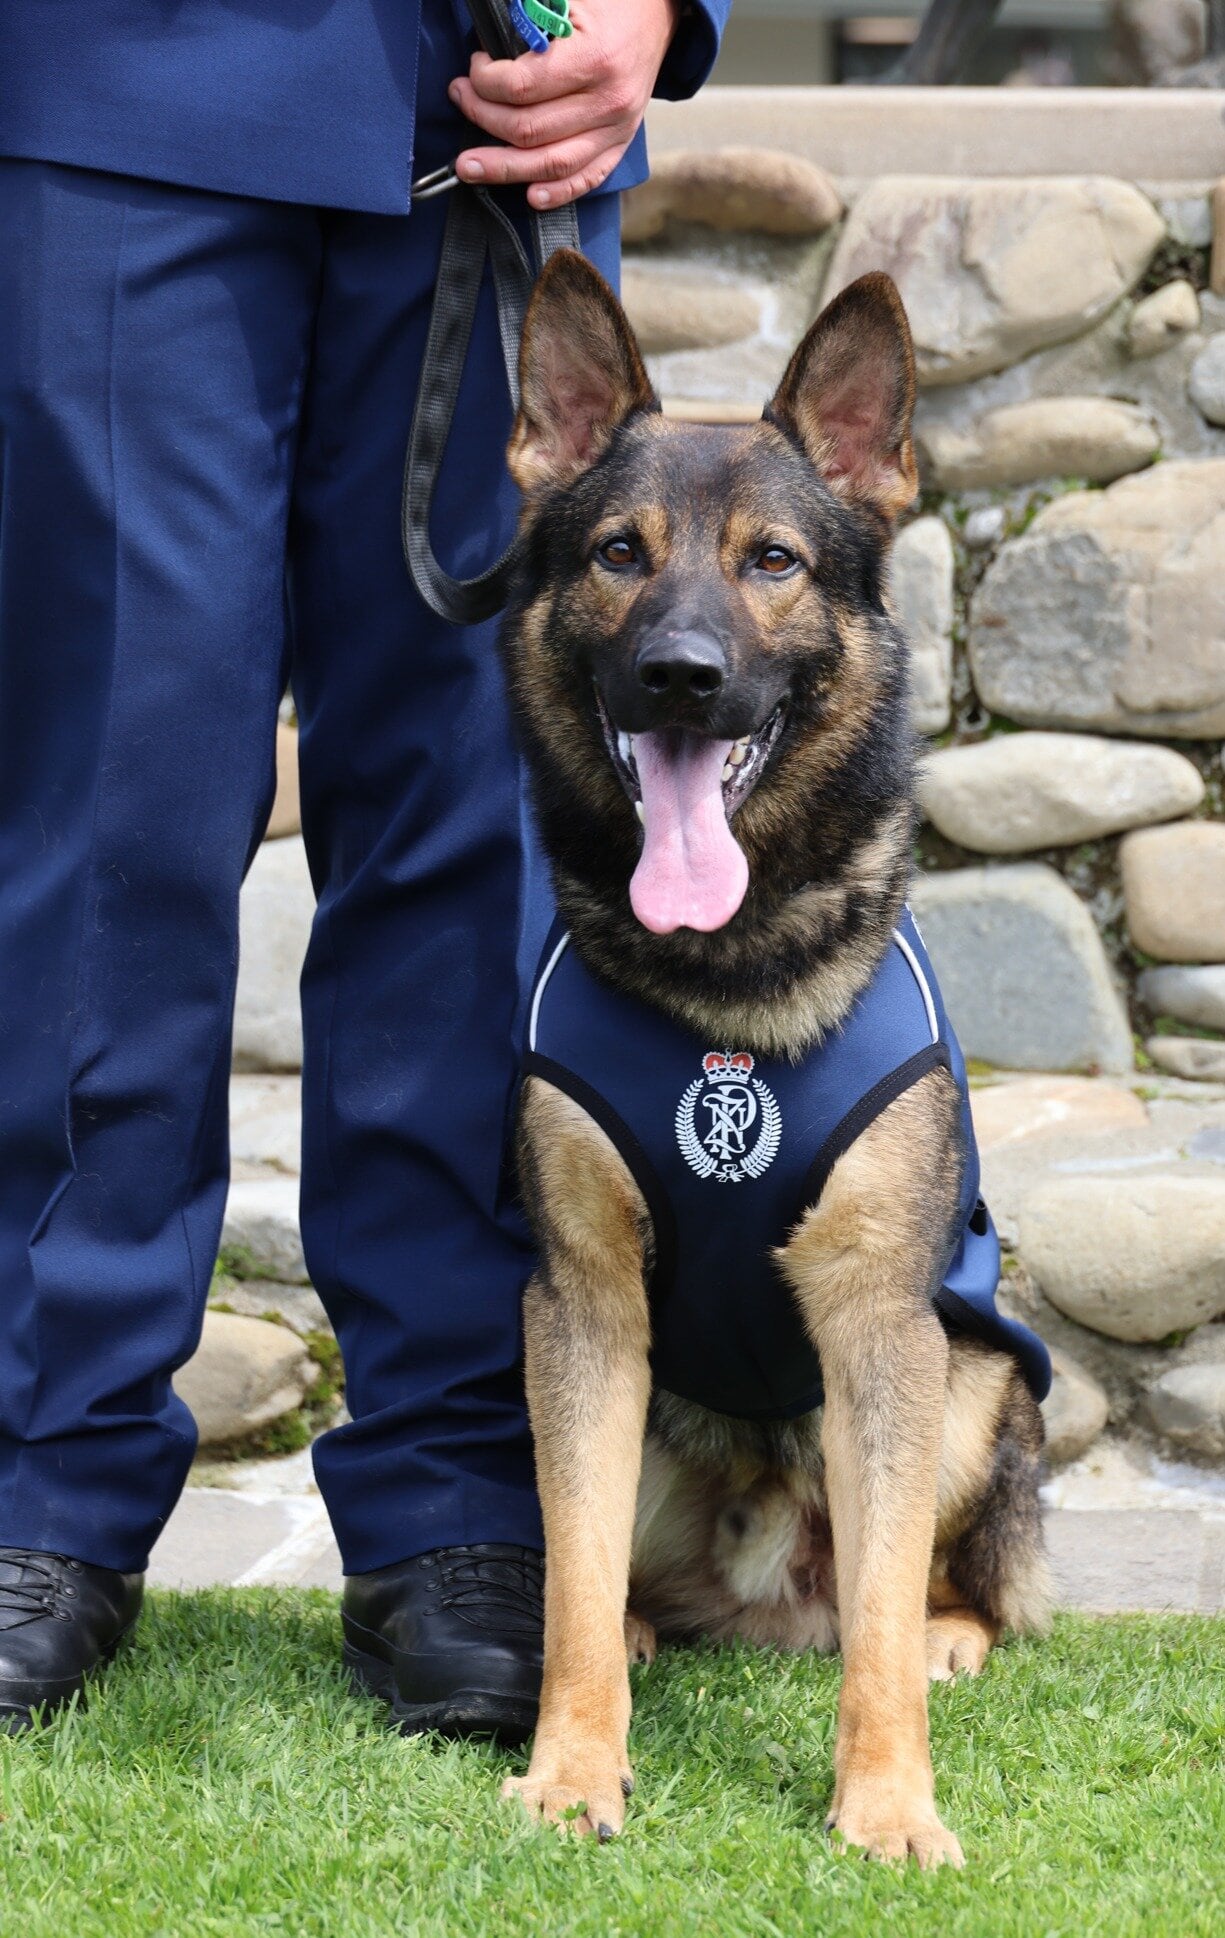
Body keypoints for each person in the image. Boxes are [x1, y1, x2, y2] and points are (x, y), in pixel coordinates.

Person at [0, 0, 730, 1738]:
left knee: (479, 810)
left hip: (492, 80)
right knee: (111, 795)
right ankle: (43, 1475)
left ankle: (460, 1495)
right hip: (115, 79)